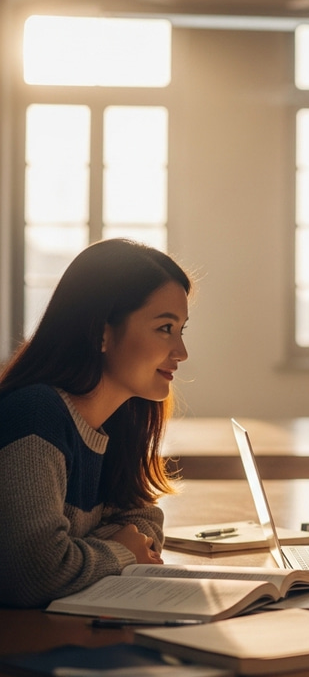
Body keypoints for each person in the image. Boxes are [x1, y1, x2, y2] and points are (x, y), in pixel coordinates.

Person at [0, 238, 191, 608]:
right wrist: (119, 551)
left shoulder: (117, 420)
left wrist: (101, 548)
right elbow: (37, 573)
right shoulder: (35, 415)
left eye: (182, 330)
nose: (181, 352)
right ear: (102, 332)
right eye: (165, 328)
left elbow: (143, 519)